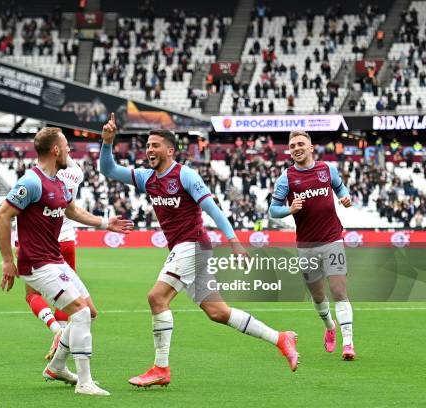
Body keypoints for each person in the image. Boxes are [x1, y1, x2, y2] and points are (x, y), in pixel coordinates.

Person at [99, 113, 299, 389]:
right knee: (217, 312)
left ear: (170, 150)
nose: (149, 150)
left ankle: (161, 368)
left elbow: (212, 209)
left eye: (155, 145)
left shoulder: (185, 175)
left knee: (157, 298)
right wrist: (107, 142)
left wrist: (234, 241)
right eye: (147, 145)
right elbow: (109, 170)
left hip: (192, 245)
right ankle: (280, 338)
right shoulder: (146, 177)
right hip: (188, 249)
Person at [0, 127, 133, 396]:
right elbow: (2, 216)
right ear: (55, 150)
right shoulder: (30, 182)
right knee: (79, 313)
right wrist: (6, 261)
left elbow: (72, 210)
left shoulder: (58, 181)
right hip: (36, 263)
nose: (70, 150)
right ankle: (84, 382)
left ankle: (57, 366)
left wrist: (105, 223)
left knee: (89, 312)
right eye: (67, 145)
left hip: (55, 259)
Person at [269, 130, 355, 360]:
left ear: (310, 148)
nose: (296, 148)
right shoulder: (286, 178)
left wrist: (345, 198)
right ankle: (330, 327)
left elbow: (340, 188)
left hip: (332, 239)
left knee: (338, 290)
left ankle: (348, 343)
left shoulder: (327, 170)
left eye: (300, 144)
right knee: (318, 296)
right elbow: (273, 210)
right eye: (292, 145)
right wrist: (290, 209)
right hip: (307, 245)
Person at [24, 156, 86, 360]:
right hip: (68, 240)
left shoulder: (39, 176)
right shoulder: (75, 174)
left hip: (43, 243)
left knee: (31, 294)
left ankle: (55, 330)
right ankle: (62, 334)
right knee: (70, 296)